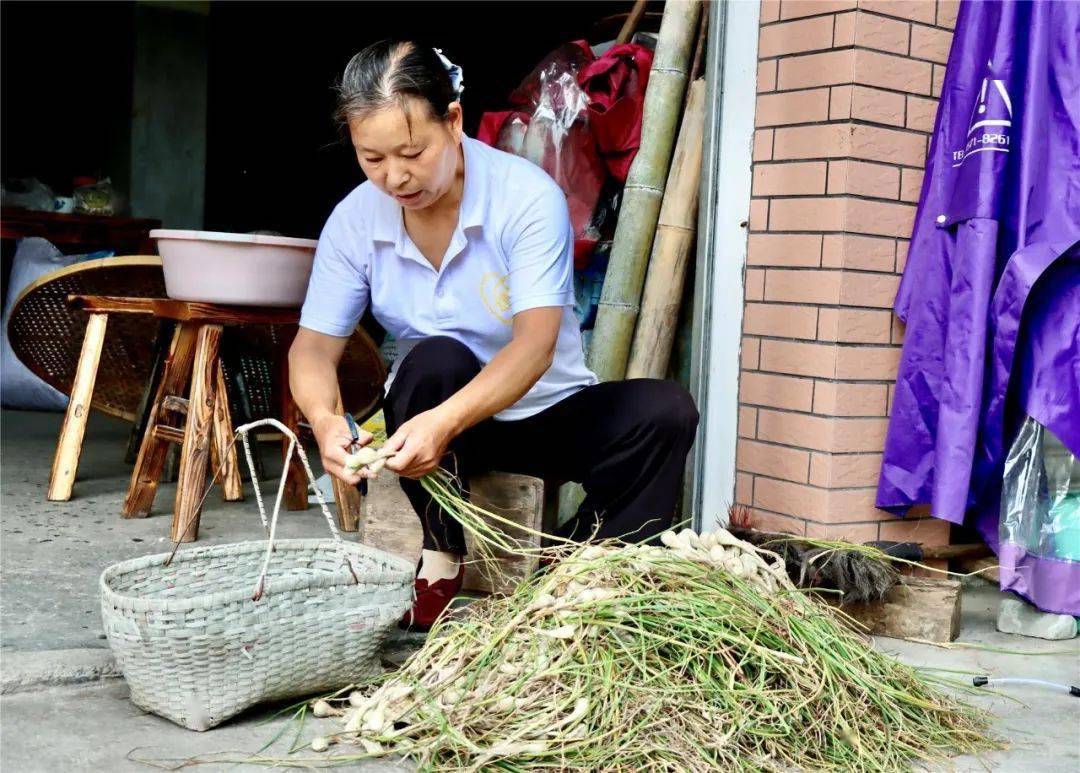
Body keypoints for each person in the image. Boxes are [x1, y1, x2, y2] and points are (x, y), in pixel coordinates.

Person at [289, 40, 699, 630]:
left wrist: (446, 420)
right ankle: (441, 555)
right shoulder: (355, 220)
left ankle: (588, 568)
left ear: (453, 121)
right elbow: (313, 348)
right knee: (432, 360)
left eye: (412, 152)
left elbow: (533, 346)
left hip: (540, 412)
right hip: (434, 439)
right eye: (372, 158)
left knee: (665, 411)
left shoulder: (524, 197)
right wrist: (326, 422)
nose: (395, 177)